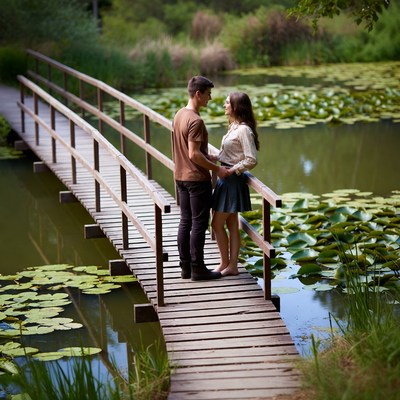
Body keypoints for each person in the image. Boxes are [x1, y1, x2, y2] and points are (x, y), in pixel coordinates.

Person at [172, 76, 230, 281]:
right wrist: (217, 169)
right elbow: (193, 154)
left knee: (185, 221)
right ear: (198, 94)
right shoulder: (196, 121)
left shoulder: (180, 114)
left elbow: (193, 150)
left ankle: (185, 267)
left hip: (180, 176)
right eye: (208, 94)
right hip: (196, 179)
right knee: (198, 223)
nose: (211, 98)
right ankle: (198, 269)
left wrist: (209, 156)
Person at [211, 92, 260, 276]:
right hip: (225, 179)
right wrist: (215, 158)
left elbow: (251, 159)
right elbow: (231, 154)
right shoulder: (233, 126)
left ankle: (226, 264)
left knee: (216, 224)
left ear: (236, 107)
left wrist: (232, 170)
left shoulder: (244, 130)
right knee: (231, 225)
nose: (224, 105)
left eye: (227, 103)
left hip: (232, 180)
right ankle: (231, 266)